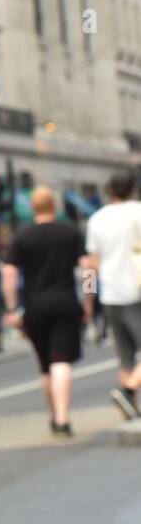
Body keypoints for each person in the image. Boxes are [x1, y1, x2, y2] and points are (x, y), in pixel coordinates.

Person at [2, 187, 90, 439]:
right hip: (65, 302)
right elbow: (88, 269)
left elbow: (9, 274)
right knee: (61, 361)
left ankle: (53, 417)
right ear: (55, 206)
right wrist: (89, 300)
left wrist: (11, 309)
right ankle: (63, 419)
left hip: (35, 307)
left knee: (45, 366)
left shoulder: (22, 236)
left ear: (33, 208)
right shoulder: (70, 232)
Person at [84, 171, 141, 419]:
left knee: (125, 354)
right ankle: (128, 391)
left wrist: (88, 300)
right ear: (133, 188)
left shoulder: (97, 219)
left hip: (110, 294)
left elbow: (90, 264)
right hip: (137, 291)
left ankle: (130, 406)